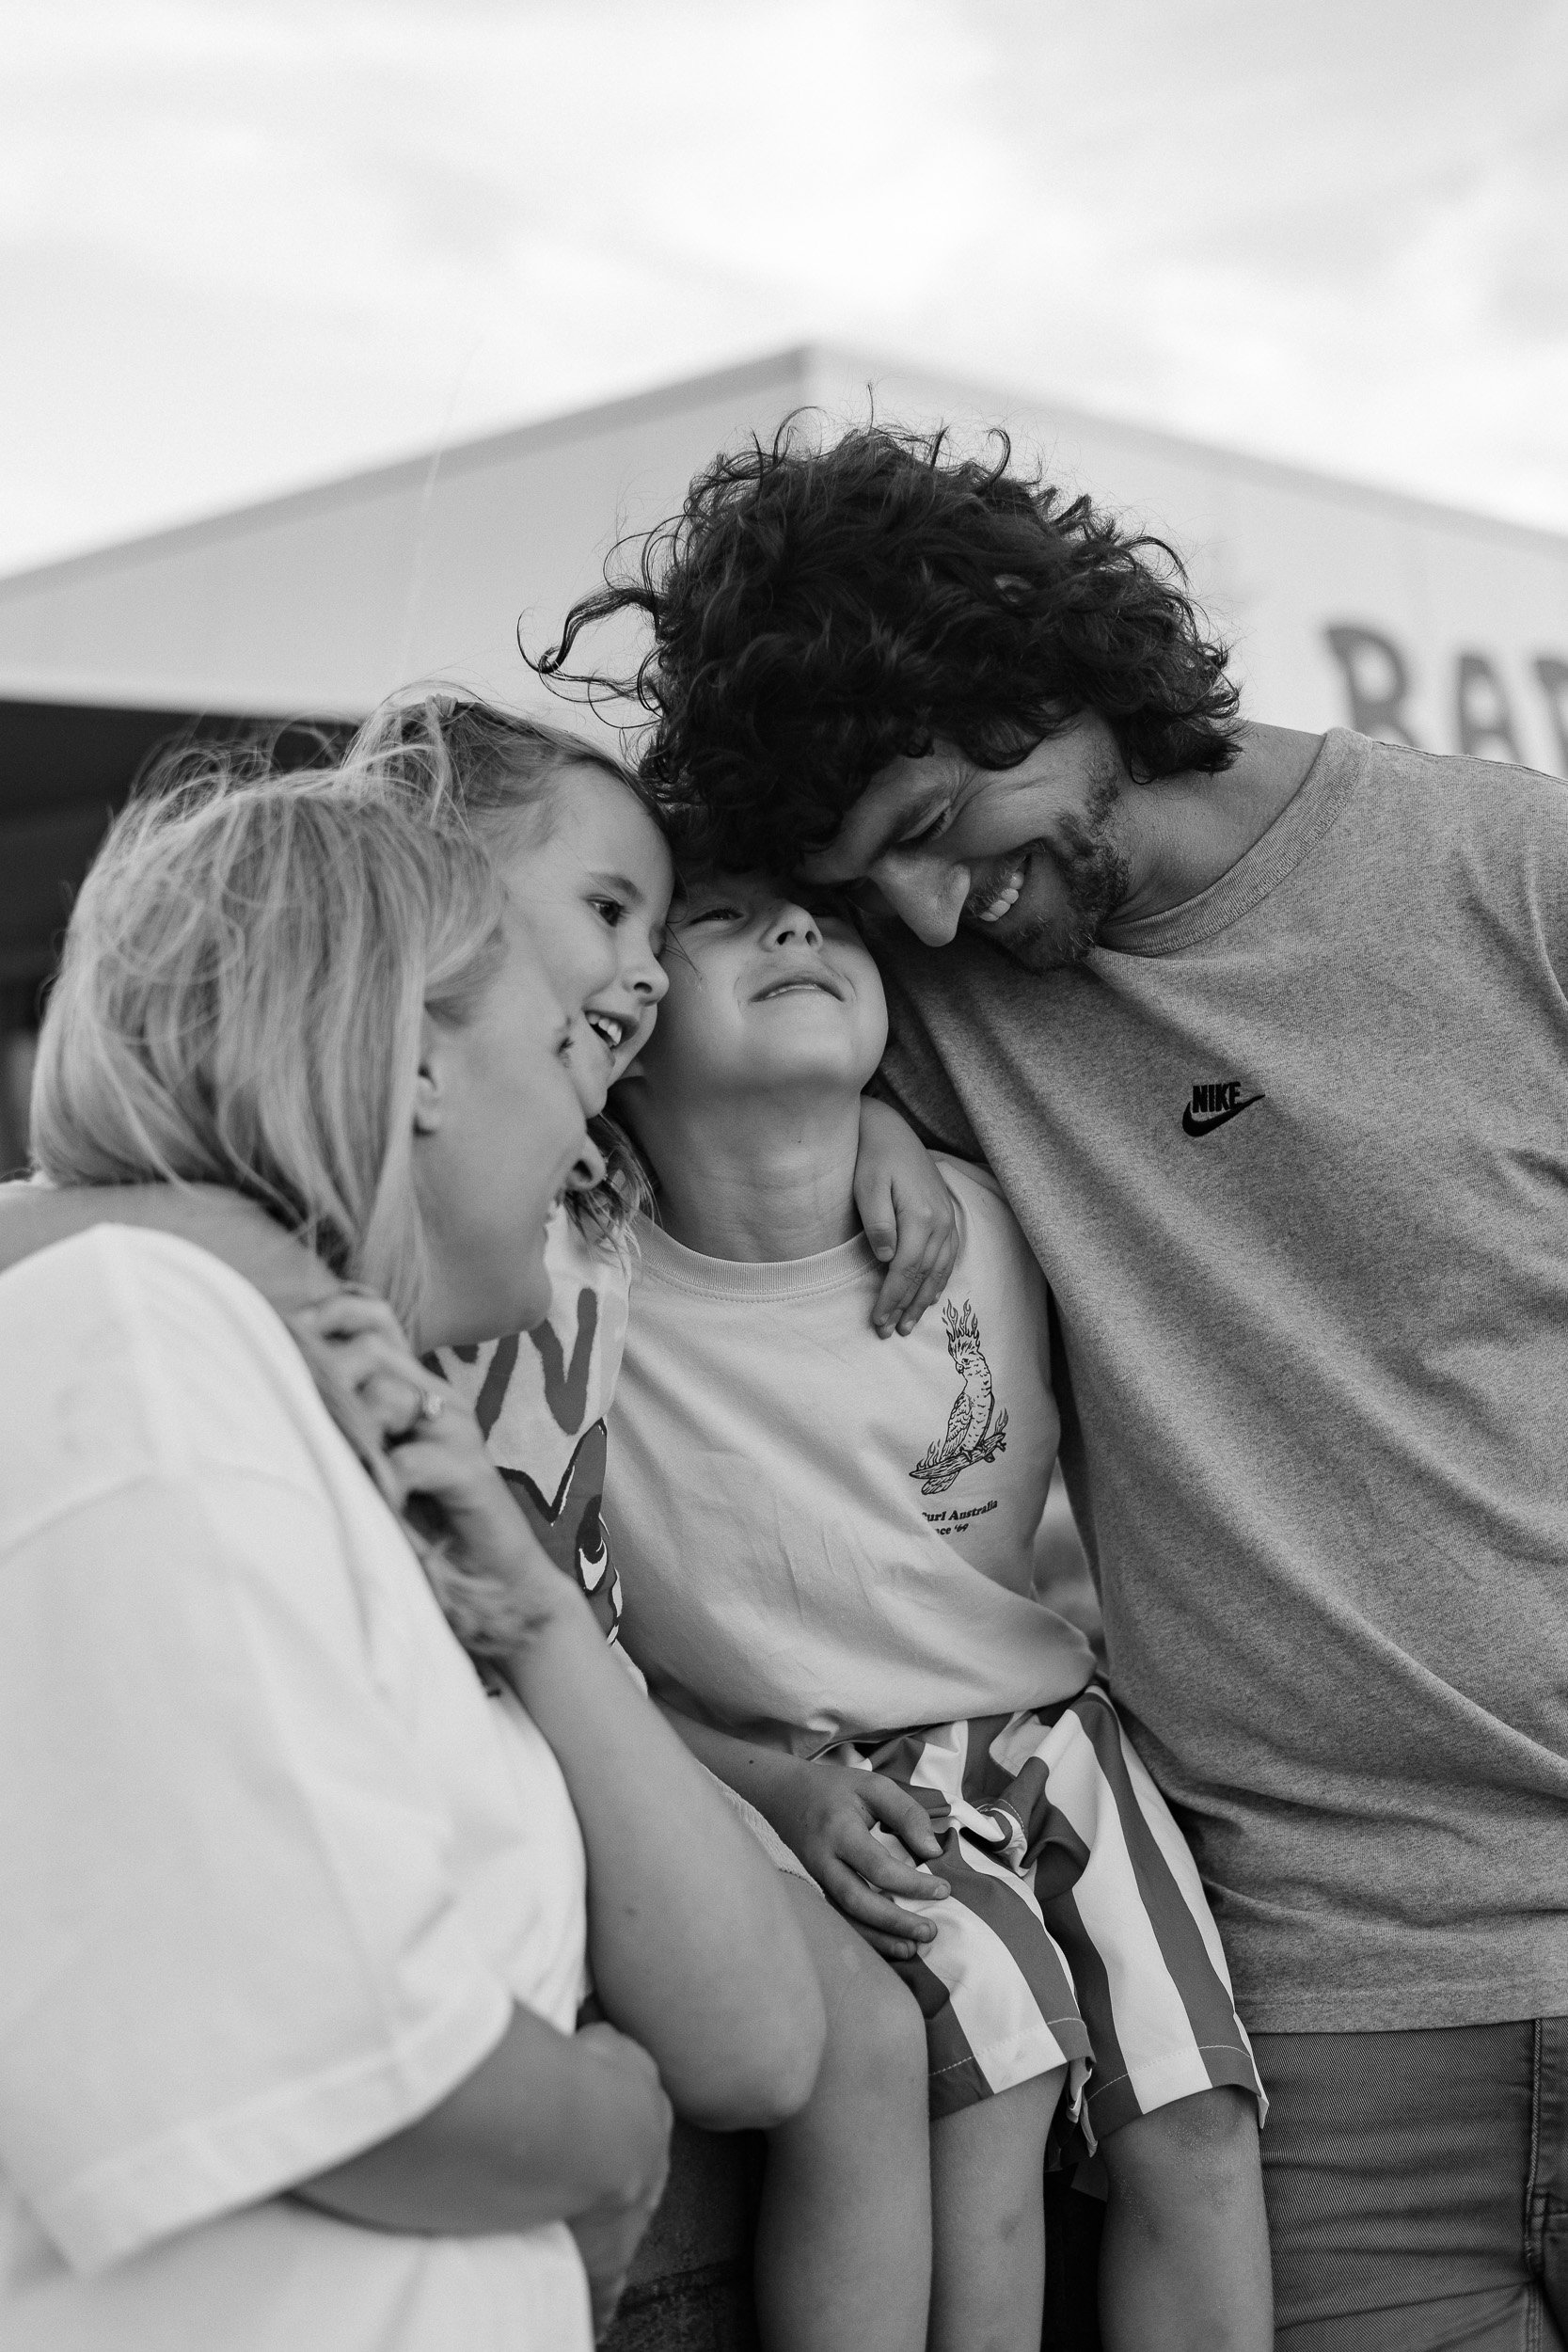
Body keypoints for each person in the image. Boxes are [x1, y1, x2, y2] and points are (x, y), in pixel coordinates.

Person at [544, 421, 1568, 2350]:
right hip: (1330, 2015)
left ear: (1049, 667)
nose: (928, 916)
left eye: (935, 818)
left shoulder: (1515, 875)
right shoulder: (913, 992)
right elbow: (630, 996)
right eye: (867, 885)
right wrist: (868, 1129)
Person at [0, 695, 964, 2352]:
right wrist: (609, 2145)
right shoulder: (142, 1344)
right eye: (566, 1052)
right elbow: (357, 2070)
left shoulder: (359, 1423)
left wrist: (520, 1584)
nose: (593, 1120)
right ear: (415, 1057)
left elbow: (757, 2036)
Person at [602, 865, 1272, 2352]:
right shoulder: (586, 1274)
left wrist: (889, 1126)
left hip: (1055, 1741)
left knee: (1200, 2110)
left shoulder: (989, 1212)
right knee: (1001, 2066)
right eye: (718, 920)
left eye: (826, 919)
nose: (794, 931)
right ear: (625, 1022)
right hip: (816, 1772)